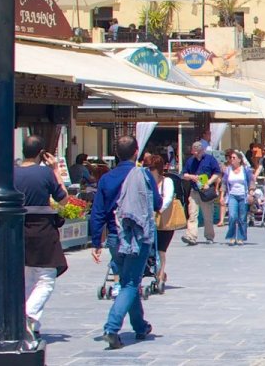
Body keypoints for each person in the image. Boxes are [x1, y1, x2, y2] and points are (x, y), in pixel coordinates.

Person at [89, 135, 159, 350]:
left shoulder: (107, 178)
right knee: (129, 283)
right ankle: (111, 328)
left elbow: (97, 211)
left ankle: (140, 326)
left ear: (116, 154)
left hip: (114, 236)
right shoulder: (143, 174)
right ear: (136, 152)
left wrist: (95, 242)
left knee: (130, 280)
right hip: (137, 235)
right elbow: (156, 202)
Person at [18, 135, 69, 341]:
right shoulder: (45, 173)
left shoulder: (11, 172)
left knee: (29, 277)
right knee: (46, 278)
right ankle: (29, 315)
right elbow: (63, 199)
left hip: (20, 229)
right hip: (42, 229)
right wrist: (56, 171)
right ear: (41, 153)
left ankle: (33, 325)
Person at [150, 152, 188, 289]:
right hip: (150, 221)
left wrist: (159, 208)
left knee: (161, 249)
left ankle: (160, 276)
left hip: (165, 222)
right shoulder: (147, 182)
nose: (149, 172)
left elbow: (168, 198)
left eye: (151, 169)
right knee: (150, 248)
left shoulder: (167, 182)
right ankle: (158, 271)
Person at [180, 141, 222, 245]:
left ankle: (209, 236)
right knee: (192, 214)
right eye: (194, 152)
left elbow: (217, 172)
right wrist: (191, 177)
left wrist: (209, 182)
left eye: (197, 152)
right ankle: (191, 236)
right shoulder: (190, 161)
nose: (196, 154)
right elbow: (183, 174)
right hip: (194, 191)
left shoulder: (210, 159)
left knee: (208, 216)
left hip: (206, 191)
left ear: (202, 150)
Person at [219, 150, 252, 245]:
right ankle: (232, 237)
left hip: (243, 195)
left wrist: (251, 193)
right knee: (232, 216)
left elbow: (251, 181)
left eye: (234, 158)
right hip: (232, 195)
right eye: (231, 158)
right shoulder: (228, 170)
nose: (231, 160)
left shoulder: (245, 170)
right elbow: (224, 183)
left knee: (242, 217)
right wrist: (222, 197)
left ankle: (241, 237)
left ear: (239, 160)